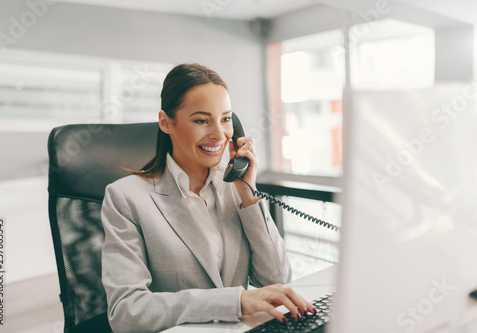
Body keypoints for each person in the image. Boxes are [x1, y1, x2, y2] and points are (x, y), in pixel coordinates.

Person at [101, 63, 317, 332]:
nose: (219, 134)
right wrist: (234, 301)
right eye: (201, 120)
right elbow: (126, 312)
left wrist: (248, 196)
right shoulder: (126, 198)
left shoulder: (233, 187)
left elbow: (277, 279)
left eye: (226, 119)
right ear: (166, 122)